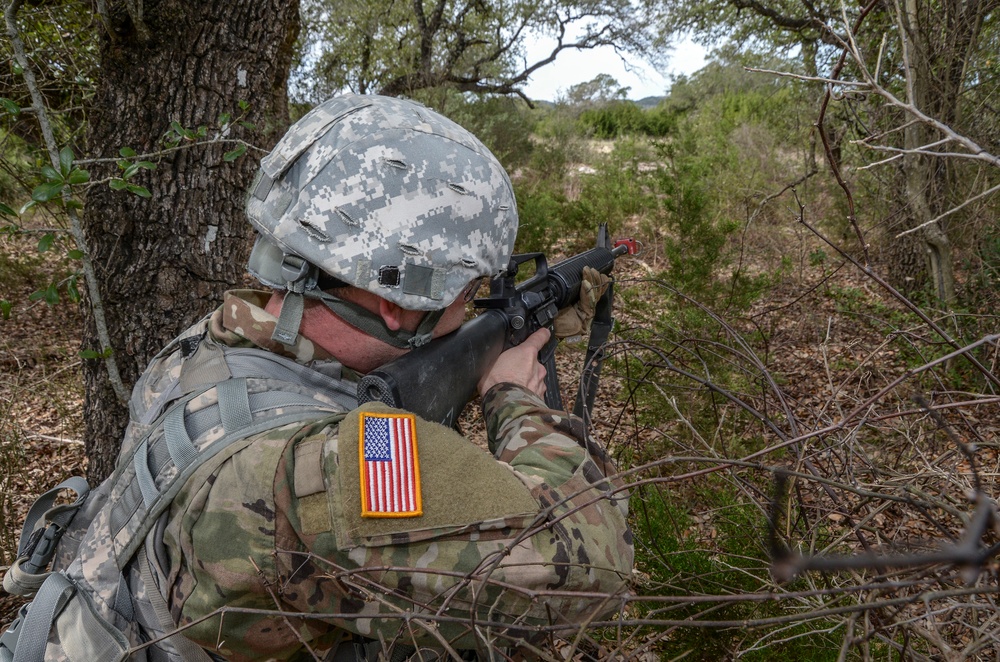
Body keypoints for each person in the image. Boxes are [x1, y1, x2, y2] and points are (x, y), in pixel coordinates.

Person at [34, 94, 633, 661]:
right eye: (470, 293)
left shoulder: (208, 345)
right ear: (397, 304)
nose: (472, 311)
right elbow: (593, 574)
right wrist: (514, 397)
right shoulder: (316, 471)